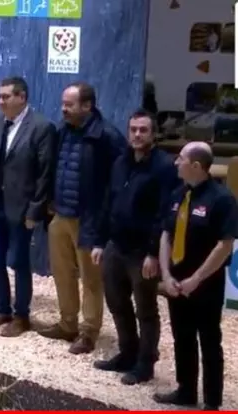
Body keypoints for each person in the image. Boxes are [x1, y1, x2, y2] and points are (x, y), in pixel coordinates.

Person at [91, 109, 179, 385]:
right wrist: (98, 241)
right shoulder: (120, 162)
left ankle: (145, 363)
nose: (137, 135)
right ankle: (127, 354)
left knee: (146, 310)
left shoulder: (165, 167)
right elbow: (107, 203)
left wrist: (154, 253)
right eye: (133, 130)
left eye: (143, 130)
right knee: (117, 303)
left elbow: (166, 214)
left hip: (143, 252)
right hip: (115, 246)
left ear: (154, 134)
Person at [38, 81, 126, 353]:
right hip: (60, 215)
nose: (63, 108)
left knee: (90, 278)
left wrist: (105, 220)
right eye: (63, 103)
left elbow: (118, 181)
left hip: (89, 219)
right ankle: (67, 324)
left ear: (87, 105)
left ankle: (89, 331)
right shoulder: (62, 131)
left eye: (69, 104)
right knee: (62, 273)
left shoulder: (108, 136)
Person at [153, 142, 238, 410]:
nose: (176, 162)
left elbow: (224, 245)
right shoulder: (179, 194)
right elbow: (166, 234)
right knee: (182, 338)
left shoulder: (222, 199)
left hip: (206, 285)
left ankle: (212, 401)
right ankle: (185, 391)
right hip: (176, 282)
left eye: (180, 158)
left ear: (196, 166)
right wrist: (166, 274)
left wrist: (197, 278)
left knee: (210, 342)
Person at [0, 76, 56, 337]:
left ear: (22, 97)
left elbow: (45, 174)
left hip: (22, 207)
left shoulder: (41, 127)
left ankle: (22, 316)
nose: (0, 101)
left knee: (19, 261)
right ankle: (2, 311)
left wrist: (35, 211)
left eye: (6, 97)